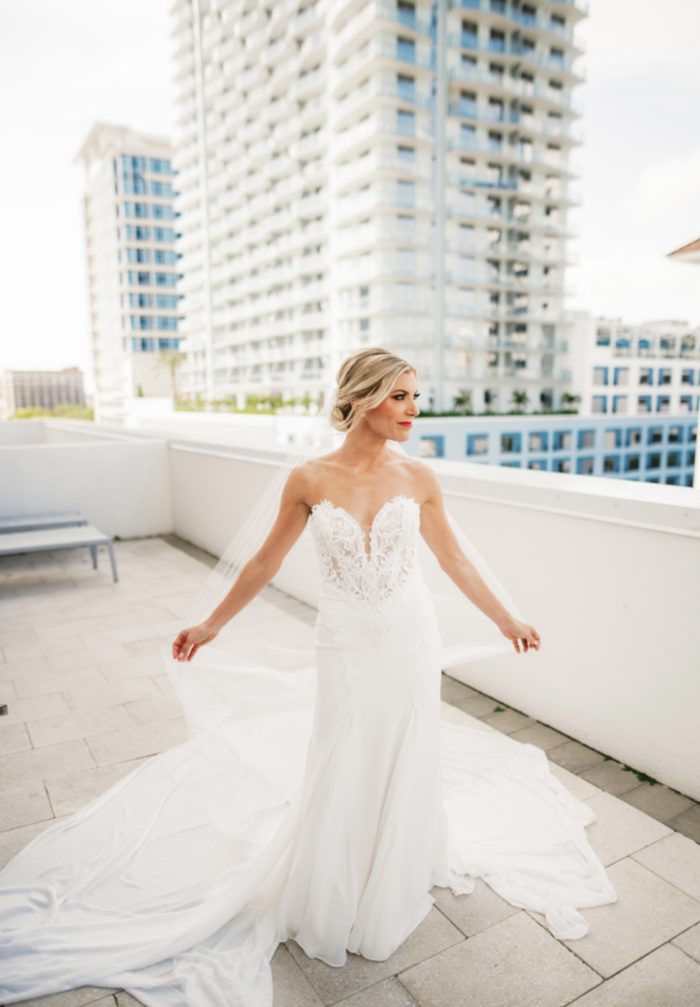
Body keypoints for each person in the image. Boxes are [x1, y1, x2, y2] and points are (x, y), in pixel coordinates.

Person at [0, 348, 617, 1007]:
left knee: (408, 749)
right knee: (344, 753)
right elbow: (264, 561)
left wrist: (506, 617)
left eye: (416, 395)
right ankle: (334, 882)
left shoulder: (420, 477)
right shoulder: (309, 477)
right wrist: (210, 624)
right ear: (362, 398)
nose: (415, 409)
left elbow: (456, 560)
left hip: (408, 639)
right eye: (401, 396)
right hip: (346, 643)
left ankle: (395, 868)